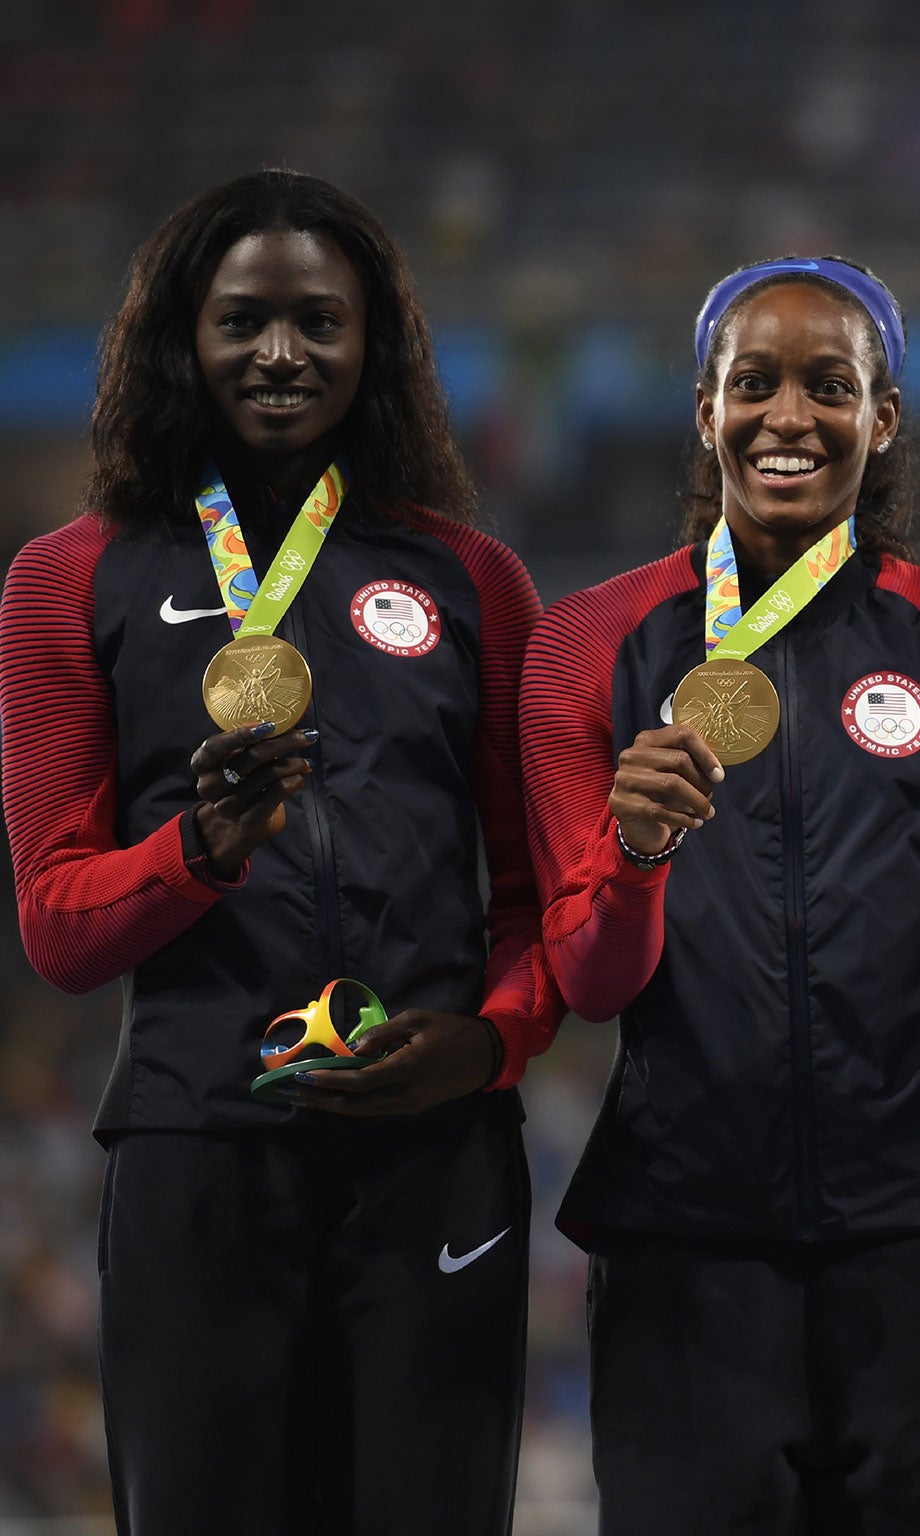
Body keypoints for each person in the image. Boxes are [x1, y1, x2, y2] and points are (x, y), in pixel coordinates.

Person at [0, 171, 561, 1534]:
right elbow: (60, 928)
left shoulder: (473, 580)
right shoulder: (68, 579)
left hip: (434, 1149)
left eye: (322, 321)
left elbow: (537, 895)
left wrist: (485, 1044)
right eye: (243, 319)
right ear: (178, 339)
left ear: (377, 347)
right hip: (200, 1152)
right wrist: (191, 852)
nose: (282, 353)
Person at [518, 256, 920, 1535]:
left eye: (830, 386)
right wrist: (638, 853)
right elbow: (588, 979)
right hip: (682, 1260)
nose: (790, 417)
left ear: (882, 418)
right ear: (703, 407)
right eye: (754, 383)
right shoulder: (586, 646)